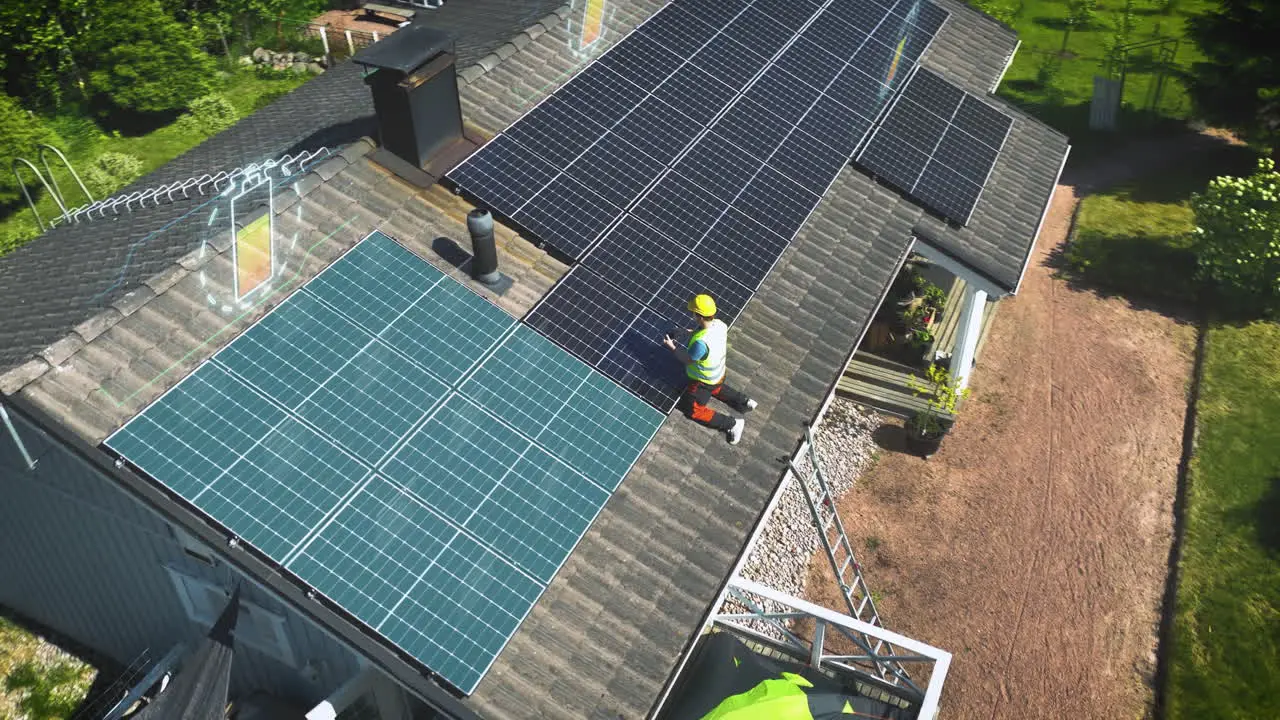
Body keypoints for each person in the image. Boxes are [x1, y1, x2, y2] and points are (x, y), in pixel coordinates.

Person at [663, 293, 757, 445]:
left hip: (703, 381)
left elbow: (687, 359)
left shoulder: (701, 344)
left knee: (693, 410)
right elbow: (703, 331)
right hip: (719, 373)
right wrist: (684, 332)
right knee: (717, 388)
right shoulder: (720, 324)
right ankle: (744, 402)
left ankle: (732, 424)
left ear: (698, 316)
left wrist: (672, 347)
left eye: (693, 313)